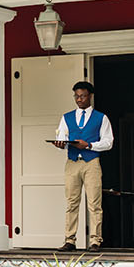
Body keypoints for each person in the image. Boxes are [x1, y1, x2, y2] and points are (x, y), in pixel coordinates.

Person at [55, 80, 113, 251]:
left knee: (94, 202)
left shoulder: (101, 118)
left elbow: (108, 142)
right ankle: (69, 240)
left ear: (90, 96)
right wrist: (61, 144)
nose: (79, 99)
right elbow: (63, 138)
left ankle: (95, 240)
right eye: (77, 96)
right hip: (72, 162)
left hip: (91, 162)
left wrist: (89, 145)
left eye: (83, 96)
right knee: (71, 202)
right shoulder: (67, 117)